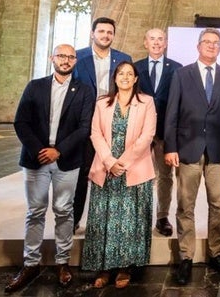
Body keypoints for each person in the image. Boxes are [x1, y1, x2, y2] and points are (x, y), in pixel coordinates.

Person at [6, 44, 94, 293]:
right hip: (36, 159)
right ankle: (31, 263)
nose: (66, 60)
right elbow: (21, 121)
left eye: (70, 57)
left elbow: (84, 127)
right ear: (52, 58)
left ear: (76, 61)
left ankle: (62, 262)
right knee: (35, 211)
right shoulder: (35, 86)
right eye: (61, 55)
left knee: (64, 211)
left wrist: (59, 150)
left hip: (67, 159)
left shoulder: (84, 91)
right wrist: (39, 150)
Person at [164, 28, 220, 285]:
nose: (211, 46)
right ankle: (186, 257)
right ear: (198, 46)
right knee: (185, 205)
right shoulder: (182, 74)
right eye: (207, 42)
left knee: (219, 205)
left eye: (216, 43)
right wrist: (170, 147)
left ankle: (216, 253)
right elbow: (172, 113)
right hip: (188, 149)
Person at [81, 61, 156, 289]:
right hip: (106, 170)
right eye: (121, 73)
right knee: (104, 220)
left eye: (129, 74)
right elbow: (95, 134)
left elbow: (147, 135)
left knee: (129, 222)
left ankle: (125, 267)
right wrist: (109, 161)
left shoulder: (146, 103)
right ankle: (104, 268)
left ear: (135, 79)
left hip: (134, 170)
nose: (125, 77)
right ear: (115, 78)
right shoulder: (102, 103)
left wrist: (122, 163)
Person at [72, 17, 132, 231]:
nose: (106, 35)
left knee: (113, 172)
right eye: (101, 31)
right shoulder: (78, 57)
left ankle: (109, 223)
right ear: (92, 33)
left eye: (109, 32)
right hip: (84, 122)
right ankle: (74, 220)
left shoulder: (123, 58)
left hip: (113, 124)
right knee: (82, 174)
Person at [135, 28, 182, 237]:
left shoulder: (178, 69)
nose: (156, 42)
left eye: (160, 39)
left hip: (165, 131)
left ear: (166, 43)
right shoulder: (134, 68)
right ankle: (138, 216)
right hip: (139, 131)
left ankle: (162, 217)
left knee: (165, 176)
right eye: (152, 39)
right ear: (145, 42)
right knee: (138, 174)